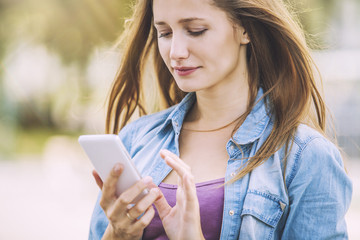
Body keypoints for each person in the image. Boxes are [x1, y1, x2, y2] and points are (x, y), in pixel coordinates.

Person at [89, 0, 353, 239]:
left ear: (244, 28)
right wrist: (116, 235)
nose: (176, 52)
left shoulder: (306, 157)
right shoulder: (135, 138)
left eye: (195, 30)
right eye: (165, 33)